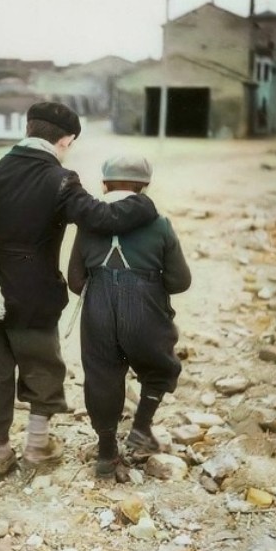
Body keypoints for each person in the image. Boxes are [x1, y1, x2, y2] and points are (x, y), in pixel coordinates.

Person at [0, 102, 160, 482]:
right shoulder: (60, 180)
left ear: (28, 129)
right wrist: (142, 204)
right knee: (41, 365)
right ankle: (36, 446)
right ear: (65, 140)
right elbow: (102, 218)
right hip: (34, 292)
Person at [67, 154, 191, 479]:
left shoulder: (88, 223)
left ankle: (107, 454)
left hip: (98, 308)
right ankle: (141, 427)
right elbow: (181, 281)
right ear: (144, 187)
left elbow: (75, 281)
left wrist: (104, 290)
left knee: (102, 377)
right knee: (160, 367)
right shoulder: (159, 224)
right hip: (145, 304)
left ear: (105, 185)